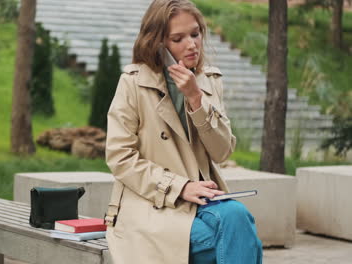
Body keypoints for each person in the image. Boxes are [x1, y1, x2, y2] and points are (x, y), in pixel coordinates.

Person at [103, 0, 263, 263]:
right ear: (158, 44)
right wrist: (180, 186)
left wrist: (196, 99)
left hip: (201, 201)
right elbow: (120, 158)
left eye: (195, 34)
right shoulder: (133, 83)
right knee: (242, 239)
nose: (191, 44)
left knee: (238, 217)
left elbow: (222, 152)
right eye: (178, 38)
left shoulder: (208, 82)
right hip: (150, 205)